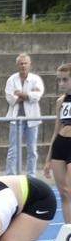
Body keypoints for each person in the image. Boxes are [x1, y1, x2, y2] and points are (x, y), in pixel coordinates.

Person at [5, 53, 44, 177]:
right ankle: (11, 175)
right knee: (13, 150)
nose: (23, 66)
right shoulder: (11, 79)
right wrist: (28, 95)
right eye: (21, 63)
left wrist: (20, 94)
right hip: (15, 118)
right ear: (17, 65)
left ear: (30, 65)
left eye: (25, 63)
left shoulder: (35, 79)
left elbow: (37, 96)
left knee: (32, 150)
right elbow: (10, 98)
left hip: (32, 119)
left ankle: (31, 176)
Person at [44, 63, 71, 223]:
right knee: (64, 192)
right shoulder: (60, 101)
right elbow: (56, 130)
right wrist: (48, 159)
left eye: (65, 80)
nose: (61, 83)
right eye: (59, 80)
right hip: (60, 145)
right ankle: (68, 231)